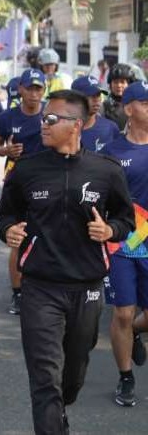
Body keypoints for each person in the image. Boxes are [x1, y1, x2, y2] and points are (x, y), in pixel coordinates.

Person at [0, 89, 134, 434]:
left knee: (71, 377)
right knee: (45, 379)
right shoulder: (27, 169)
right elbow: (6, 214)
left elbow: (125, 220)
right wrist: (9, 230)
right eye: (44, 117)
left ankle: (61, 410)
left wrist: (109, 230)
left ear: (77, 125)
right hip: (40, 288)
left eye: (52, 119)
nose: (44, 124)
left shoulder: (106, 171)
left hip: (86, 288)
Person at [0, 68, 46, 315]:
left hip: (48, 183)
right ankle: (18, 293)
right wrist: (5, 152)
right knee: (19, 236)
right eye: (29, 88)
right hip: (18, 183)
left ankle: (42, 289)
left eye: (38, 89)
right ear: (20, 89)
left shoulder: (50, 115)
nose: (33, 94)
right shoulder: (9, 117)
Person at [102, 80, 148, 407]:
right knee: (122, 312)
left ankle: (133, 331)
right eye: (145, 103)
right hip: (122, 242)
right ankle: (126, 376)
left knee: (132, 319)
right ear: (129, 108)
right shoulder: (112, 152)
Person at [71, 76, 119, 152]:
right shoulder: (64, 129)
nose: (96, 99)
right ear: (76, 99)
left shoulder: (111, 128)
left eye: (98, 95)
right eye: (91, 95)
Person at [104, 64, 136, 131]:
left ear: (129, 84)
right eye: (115, 82)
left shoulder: (137, 105)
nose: (119, 85)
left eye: (122, 82)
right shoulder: (103, 106)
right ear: (110, 84)